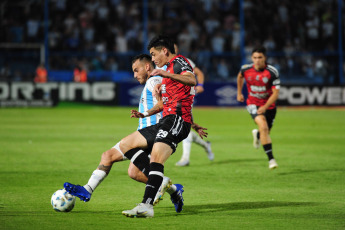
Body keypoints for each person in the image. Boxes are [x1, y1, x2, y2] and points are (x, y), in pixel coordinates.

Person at [63, 53, 198, 214]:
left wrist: (186, 122)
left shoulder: (154, 81)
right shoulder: (152, 81)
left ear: (147, 67)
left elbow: (167, 105)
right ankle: (173, 189)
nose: (134, 75)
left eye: (136, 70)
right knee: (130, 170)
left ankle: (88, 189)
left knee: (116, 152)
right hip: (146, 131)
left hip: (154, 132)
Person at [121, 34, 207, 218]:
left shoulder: (178, 62)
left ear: (164, 51)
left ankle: (146, 205)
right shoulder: (168, 71)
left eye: (153, 54)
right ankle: (160, 196)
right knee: (126, 146)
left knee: (156, 160)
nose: (152, 59)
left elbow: (192, 80)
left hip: (176, 120)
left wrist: (165, 74)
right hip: (171, 119)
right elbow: (166, 104)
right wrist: (145, 113)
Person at [236, 46, 280, 170]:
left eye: (260, 57)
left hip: (269, 106)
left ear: (265, 58)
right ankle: (271, 159)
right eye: (255, 57)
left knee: (266, 132)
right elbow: (240, 77)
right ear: (252, 58)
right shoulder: (246, 69)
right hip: (253, 103)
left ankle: (258, 135)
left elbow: (276, 93)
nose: (257, 60)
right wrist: (239, 93)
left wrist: (265, 107)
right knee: (264, 126)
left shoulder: (272, 72)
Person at [173, 43, 214, 167]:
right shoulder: (162, 63)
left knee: (184, 125)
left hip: (184, 97)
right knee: (184, 127)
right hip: (171, 99)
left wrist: (200, 86)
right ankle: (206, 145)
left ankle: (185, 158)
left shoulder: (185, 61)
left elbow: (199, 73)